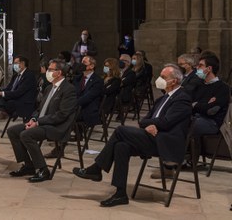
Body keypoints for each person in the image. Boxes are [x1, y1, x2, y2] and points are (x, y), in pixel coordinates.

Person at [73, 64, 192, 207]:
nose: (159, 79)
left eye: (163, 77)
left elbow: (166, 122)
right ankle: (120, 194)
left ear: (174, 81)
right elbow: (143, 121)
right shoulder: (162, 99)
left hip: (165, 142)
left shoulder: (182, 99)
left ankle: (97, 168)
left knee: (121, 130)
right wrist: (150, 125)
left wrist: (155, 125)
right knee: (121, 146)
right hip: (151, 137)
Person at [8, 59, 77, 182]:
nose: (47, 72)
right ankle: (29, 165)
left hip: (56, 126)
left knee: (26, 135)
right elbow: (39, 109)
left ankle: (43, 169)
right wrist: (33, 119)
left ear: (59, 72)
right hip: (42, 122)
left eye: (50, 69)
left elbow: (62, 115)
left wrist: (38, 122)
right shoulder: (49, 87)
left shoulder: (68, 89)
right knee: (13, 131)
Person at [44, 56, 104, 158]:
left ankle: (59, 147)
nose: (81, 65)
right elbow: (69, 93)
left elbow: (88, 98)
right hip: (75, 107)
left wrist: (70, 104)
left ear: (92, 66)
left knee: (65, 116)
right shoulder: (78, 78)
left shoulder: (97, 81)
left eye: (84, 63)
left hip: (88, 110)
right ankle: (56, 141)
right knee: (58, 112)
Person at [0, 56, 37, 142]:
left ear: (23, 64)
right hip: (14, 99)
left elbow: (19, 92)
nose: (14, 65)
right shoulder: (16, 75)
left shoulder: (29, 75)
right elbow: (8, 88)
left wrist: (1, 93)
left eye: (16, 63)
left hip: (24, 102)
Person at [190, 52, 230, 164]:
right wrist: (201, 104)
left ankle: (190, 159)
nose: (197, 68)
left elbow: (211, 110)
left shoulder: (222, 88)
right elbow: (188, 103)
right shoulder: (199, 85)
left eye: (200, 65)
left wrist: (196, 105)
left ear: (209, 68)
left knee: (191, 124)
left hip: (212, 123)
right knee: (179, 120)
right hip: (197, 118)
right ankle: (173, 158)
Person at [117, 54, 136, 122]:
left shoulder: (131, 73)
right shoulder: (119, 71)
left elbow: (122, 83)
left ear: (128, 63)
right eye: (120, 60)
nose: (120, 62)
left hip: (125, 94)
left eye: (122, 60)